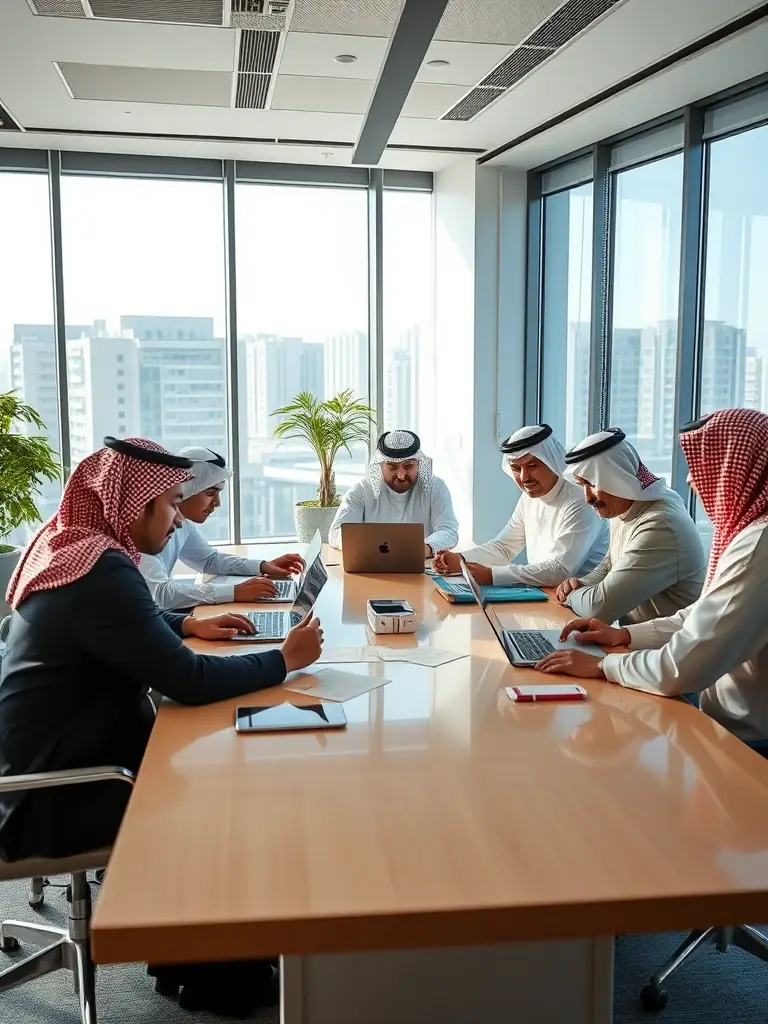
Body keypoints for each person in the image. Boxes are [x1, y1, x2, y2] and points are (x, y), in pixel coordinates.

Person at [0, 436, 323, 864]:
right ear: (136, 503)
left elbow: (118, 624)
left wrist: (188, 623)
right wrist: (284, 659)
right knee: (243, 787)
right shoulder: (102, 569)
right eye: (172, 504)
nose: (176, 521)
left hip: (54, 770)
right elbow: (190, 681)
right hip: (61, 797)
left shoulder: (77, 548)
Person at [537, 408, 768, 742]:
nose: (690, 479)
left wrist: (602, 666)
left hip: (746, 738)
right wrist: (625, 638)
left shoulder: (758, 544)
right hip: (711, 708)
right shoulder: (750, 531)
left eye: (702, 466)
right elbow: (703, 613)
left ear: (740, 468)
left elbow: (684, 665)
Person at [555, 428, 705, 624]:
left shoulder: (659, 526)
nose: (587, 497)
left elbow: (597, 608)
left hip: (664, 650)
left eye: (592, 484)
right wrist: (581, 583)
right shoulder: (625, 504)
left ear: (618, 479)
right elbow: (611, 562)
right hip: (633, 643)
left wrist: (571, 597)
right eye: (583, 485)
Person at [433, 424, 607, 585]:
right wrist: (459, 559)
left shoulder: (581, 499)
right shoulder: (529, 498)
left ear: (552, 461)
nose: (524, 478)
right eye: (516, 468)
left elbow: (560, 570)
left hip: (582, 605)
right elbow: (504, 547)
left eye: (532, 466)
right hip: (546, 594)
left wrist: (492, 575)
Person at [140, 446, 304, 610]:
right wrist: (235, 592)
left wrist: (262, 566)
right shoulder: (141, 530)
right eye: (210, 493)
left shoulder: (182, 523)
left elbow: (210, 560)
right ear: (185, 489)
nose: (217, 503)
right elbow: (161, 595)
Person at [329, 430, 458, 557]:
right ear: (380, 465)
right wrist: (369, 546)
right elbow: (336, 533)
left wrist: (425, 548)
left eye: (408, 466)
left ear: (419, 464)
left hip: (422, 568)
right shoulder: (361, 491)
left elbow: (448, 530)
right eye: (392, 467)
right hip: (372, 568)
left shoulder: (436, 488)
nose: (401, 475)